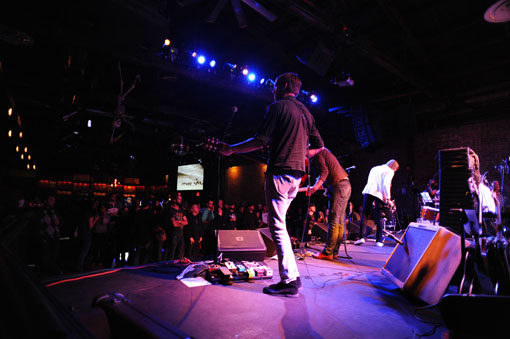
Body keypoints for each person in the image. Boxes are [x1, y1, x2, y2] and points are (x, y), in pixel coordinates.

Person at [219, 72, 324, 297]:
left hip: (280, 172)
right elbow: (320, 145)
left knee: (277, 226)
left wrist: (231, 149)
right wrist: (301, 154)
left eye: (275, 86)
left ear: (284, 85)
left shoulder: (278, 108)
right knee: (280, 225)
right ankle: (293, 277)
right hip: (297, 175)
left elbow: (259, 141)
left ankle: (289, 281)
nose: (273, 90)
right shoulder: (306, 112)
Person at [305, 148, 351, 260]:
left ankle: (328, 252)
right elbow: (329, 172)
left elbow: (324, 173)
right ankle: (334, 251)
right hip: (345, 185)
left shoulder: (320, 153)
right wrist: (326, 188)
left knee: (334, 221)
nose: (305, 155)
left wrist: (314, 188)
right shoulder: (325, 153)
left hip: (339, 187)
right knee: (339, 221)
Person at [355, 159, 399, 247]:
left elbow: (370, 182)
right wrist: (388, 199)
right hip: (379, 194)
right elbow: (385, 185)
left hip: (368, 191)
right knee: (380, 216)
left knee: (364, 214)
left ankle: (361, 237)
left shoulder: (374, 168)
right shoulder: (390, 171)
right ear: (394, 167)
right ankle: (379, 240)